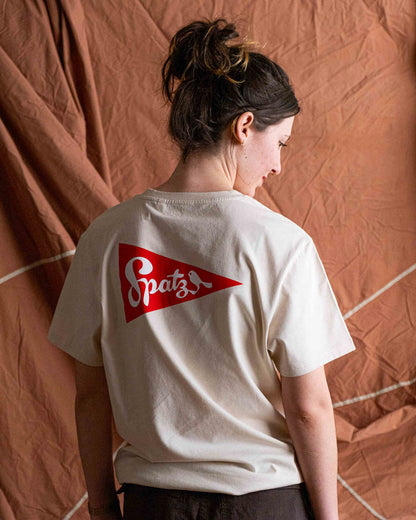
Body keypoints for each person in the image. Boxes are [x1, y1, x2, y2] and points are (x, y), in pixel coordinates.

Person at [48, 17, 356, 520]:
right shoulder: (281, 243)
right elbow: (308, 409)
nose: (278, 165)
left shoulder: (104, 238)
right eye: (280, 143)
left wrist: (103, 507)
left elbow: (89, 394)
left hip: (152, 505)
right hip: (264, 503)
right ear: (244, 126)